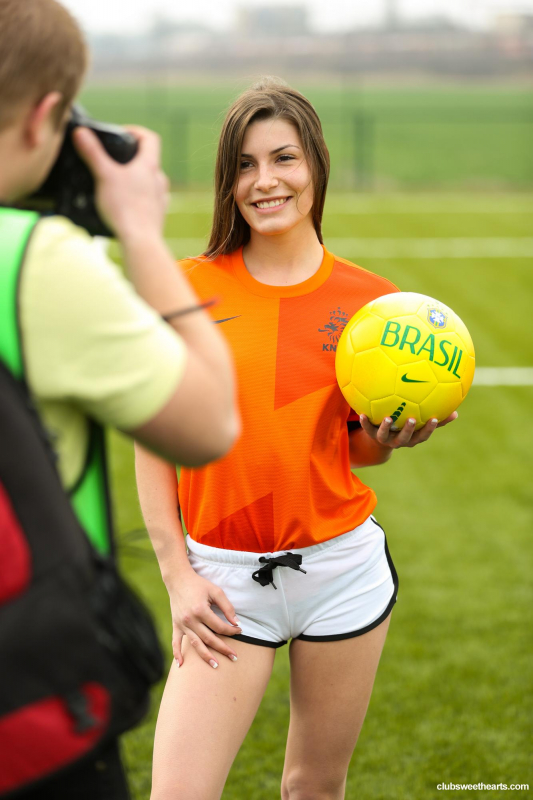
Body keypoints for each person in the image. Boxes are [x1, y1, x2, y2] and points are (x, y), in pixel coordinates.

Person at [135, 78, 457, 800]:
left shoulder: (376, 306)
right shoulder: (184, 290)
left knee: (314, 787)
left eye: (282, 158)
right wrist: (177, 575)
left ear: (314, 163)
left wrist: (388, 439)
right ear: (228, 181)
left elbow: (347, 447)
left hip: (340, 572)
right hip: (221, 585)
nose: (265, 181)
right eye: (244, 165)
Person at [0, 0, 239, 797]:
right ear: (44, 118)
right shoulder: (36, 259)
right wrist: (138, 231)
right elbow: (209, 423)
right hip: (28, 689)